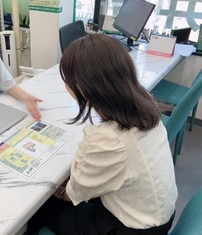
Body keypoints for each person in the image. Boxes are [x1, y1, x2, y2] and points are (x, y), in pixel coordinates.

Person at [25, 34, 177, 235]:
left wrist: (44, 185)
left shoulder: (109, 139)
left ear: (84, 86)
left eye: (68, 80)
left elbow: (71, 194)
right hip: (156, 213)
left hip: (132, 228)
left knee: (39, 208)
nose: (65, 86)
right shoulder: (145, 104)